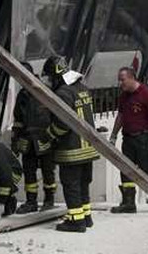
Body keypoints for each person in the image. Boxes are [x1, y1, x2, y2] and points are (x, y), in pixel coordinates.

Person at [43, 55, 100, 233]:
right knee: (83, 184)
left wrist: (49, 134)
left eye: (50, 77)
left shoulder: (63, 93)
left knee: (71, 184)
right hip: (88, 148)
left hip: (72, 149)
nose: (49, 81)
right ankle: (86, 216)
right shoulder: (82, 88)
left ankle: (76, 221)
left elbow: (63, 124)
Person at [108, 67, 148, 214]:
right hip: (128, 138)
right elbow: (120, 116)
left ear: (132, 78)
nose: (120, 83)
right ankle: (128, 203)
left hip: (143, 138)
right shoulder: (124, 96)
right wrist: (114, 135)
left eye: (122, 79)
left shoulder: (146, 94)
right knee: (125, 169)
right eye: (119, 80)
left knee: (147, 170)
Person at [12, 62, 57, 214]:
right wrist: (15, 140)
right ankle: (31, 201)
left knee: (48, 171)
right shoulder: (23, 94)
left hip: (45, 138)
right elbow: (17, 119)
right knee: (29, 172)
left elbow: (55, 116)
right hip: (27, 139)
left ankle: (49, 200)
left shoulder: (45, 91)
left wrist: (52, 136)